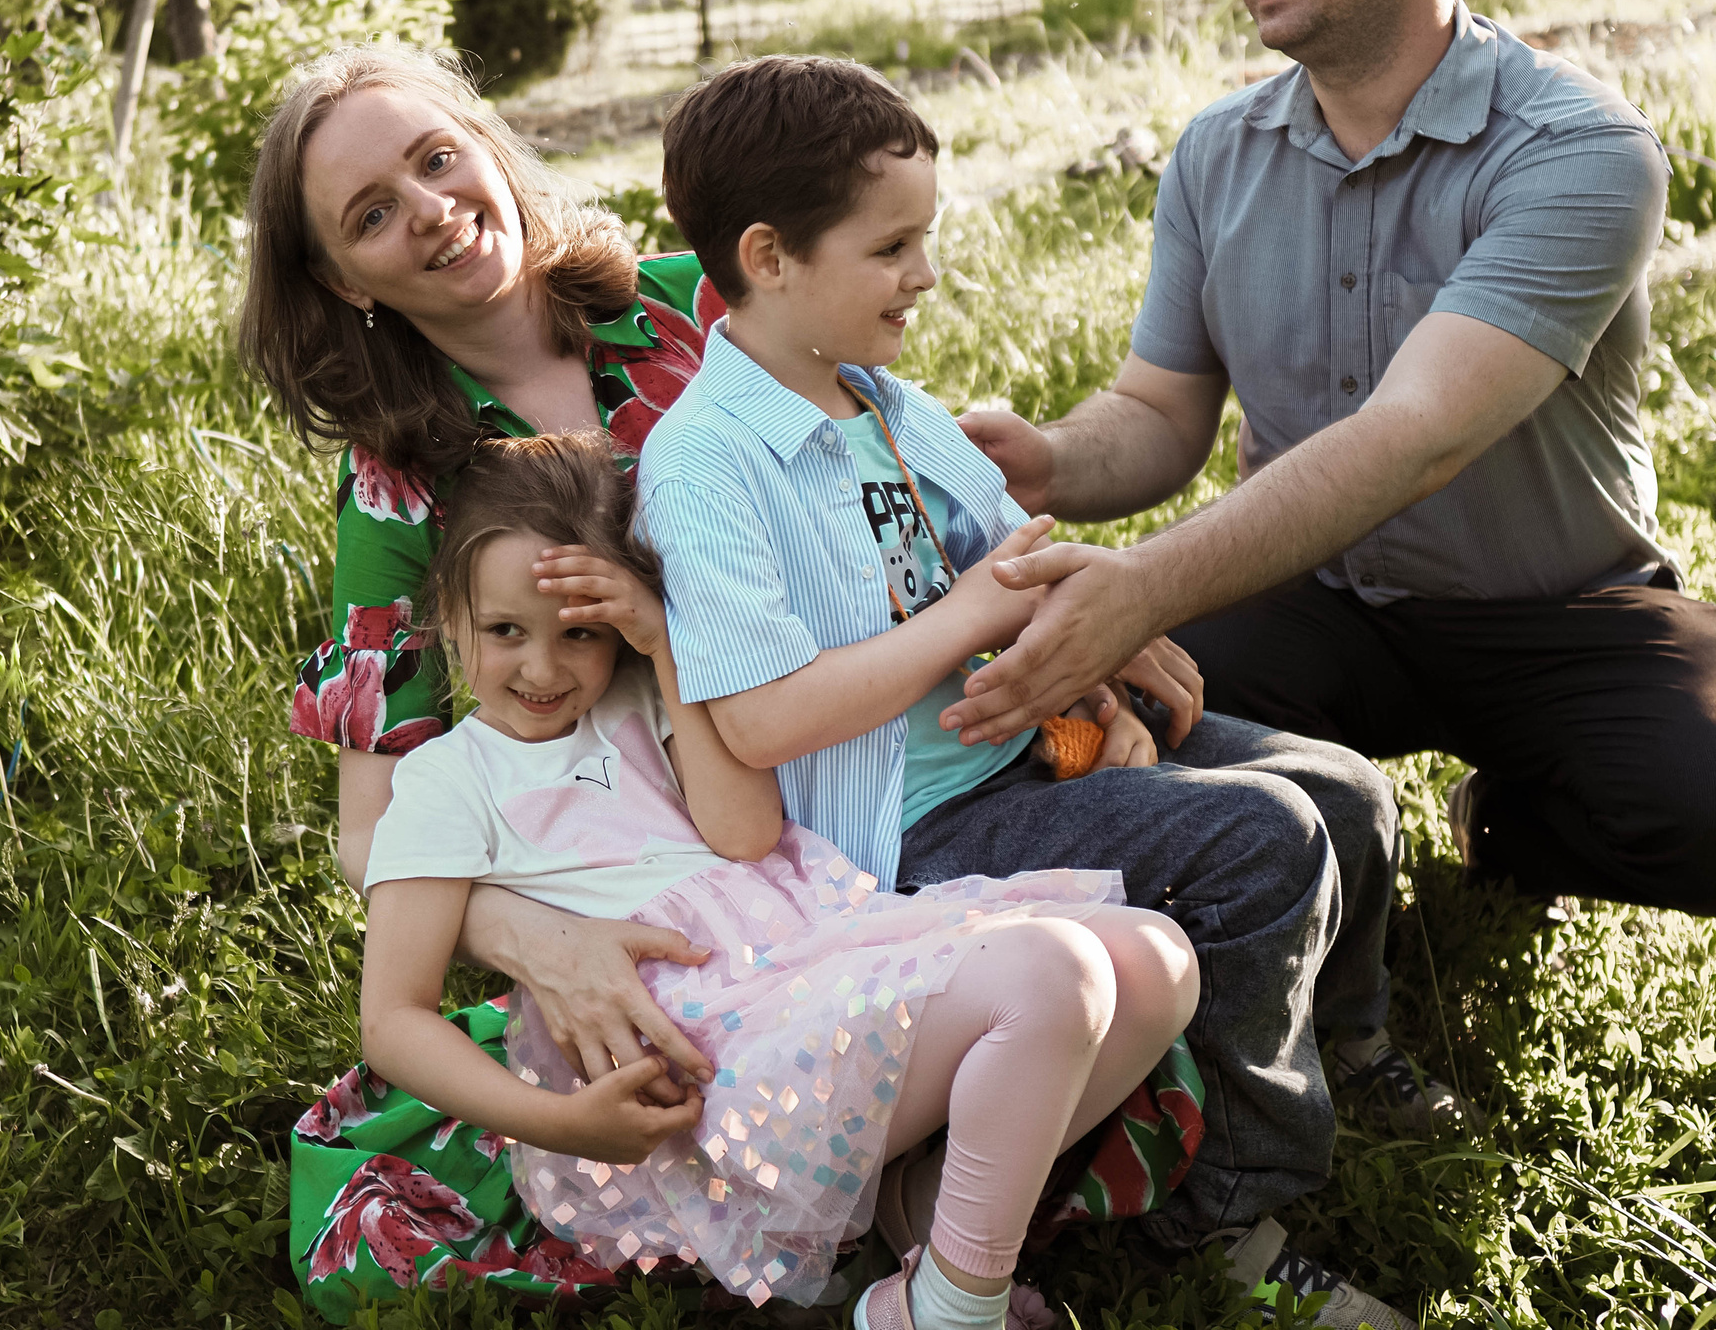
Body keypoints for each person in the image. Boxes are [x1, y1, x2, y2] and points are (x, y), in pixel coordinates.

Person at [243, 46, 1212, 1317]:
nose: (427, 208)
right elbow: (371, 833)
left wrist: (1088, 616)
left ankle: (928, 1221)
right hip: (723, 842)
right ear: (334, 278)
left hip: (876, 745)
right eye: (371, 213)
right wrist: (536, 938)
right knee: (1187, 887)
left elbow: (901, 495)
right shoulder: (401, 487)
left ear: (486, 143)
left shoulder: (689, 311)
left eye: (435, 159)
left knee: (1215, 836)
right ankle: (1048, 1230)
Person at [952, 0, 1716, 923]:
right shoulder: (1218, 153)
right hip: (1309, 600)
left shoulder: (1574, 150)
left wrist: (1143, 586)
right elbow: (1159, 415)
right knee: (1089, 731)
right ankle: (1313, 834)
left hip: (1555, 613)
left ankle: (1505, 822)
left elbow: (1414, 438)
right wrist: (1044, 459)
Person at [636, 55, 1429, 1330]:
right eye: (891, 246)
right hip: (904, 827)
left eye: (924, 239)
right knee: (1257, 843)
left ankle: (1343, 1049)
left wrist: (1093, 671)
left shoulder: (887, 404)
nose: (924, 274)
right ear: (770, 256)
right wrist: (976, 618)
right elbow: (761, 719)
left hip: (1021, 746)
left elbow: (1018, 556)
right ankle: (1221, 1213)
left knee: (1338, 793)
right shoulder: (707, 463)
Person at [360, 432, 1199, 1329]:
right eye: (503, 632)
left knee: (1158, 963)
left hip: (805, 961)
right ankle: (953, 1308)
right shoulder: (449, 781)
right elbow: (393, 1018)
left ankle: (919, 1223)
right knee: (1049, 978)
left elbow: (744, 831)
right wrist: (554, 1122)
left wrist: (666, 651)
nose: (543, 667)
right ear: (449, 620)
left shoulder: (645, 701)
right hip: (706, 1070)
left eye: (582, 633)